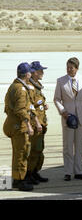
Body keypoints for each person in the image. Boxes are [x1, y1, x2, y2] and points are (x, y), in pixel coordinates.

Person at [3, 63, 35, 191]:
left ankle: (17, 178)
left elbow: (7, 108)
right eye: (30, 73)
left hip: (11, 124)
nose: (31, 74)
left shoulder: (13, 86)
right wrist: (28, 125)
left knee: (17, 153)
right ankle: (21, 181)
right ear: (27, 74)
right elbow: (21, 109)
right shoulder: (21, 90)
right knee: (22, 152)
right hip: (19, 126)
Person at [26, 61, 49, 184]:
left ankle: (35, 172)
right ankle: (29, 174)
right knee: (34, 151)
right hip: (35, 124)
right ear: (34, 72)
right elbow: (29, 106)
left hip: (41, 123)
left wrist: (43, 105)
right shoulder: (29, 87)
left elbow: (37, 103)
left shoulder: (37, 85)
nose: (42, 73)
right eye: (40, 71)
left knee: (39, 150)